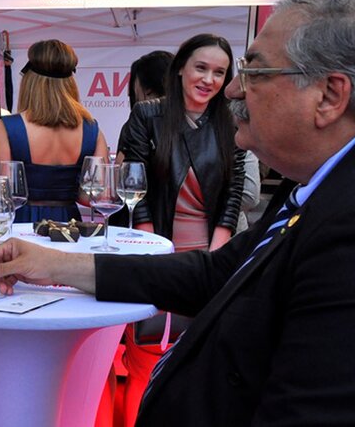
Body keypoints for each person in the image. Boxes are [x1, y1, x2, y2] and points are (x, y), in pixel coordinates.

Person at [0, 0, 355, 426]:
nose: (232, 89)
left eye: (252, 71)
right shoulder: (322, 185)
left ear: (328, 97)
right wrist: (56, 265)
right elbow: (213, 273)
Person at [115, 35, 246, 424]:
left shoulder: (229, 118)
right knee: (146, 351)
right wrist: (154, 250)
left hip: (208, 252)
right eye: (201, 68)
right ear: (181, 69)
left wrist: (217, 253)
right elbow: (133, 185)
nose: (209, 79)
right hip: (154, 247)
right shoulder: (148, 114)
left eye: (219, 72)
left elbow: (233, 189)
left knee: (199, 355)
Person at [0, 38, 109, 222]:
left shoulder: (6, 128)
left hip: (22, 225)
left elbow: (2, 194)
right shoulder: (92, 129)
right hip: (69, 226)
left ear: (29, 81)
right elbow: (95, 196)